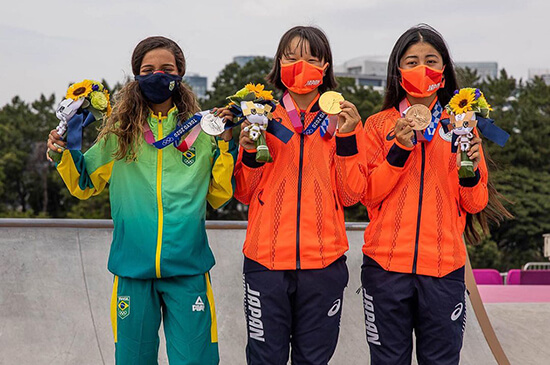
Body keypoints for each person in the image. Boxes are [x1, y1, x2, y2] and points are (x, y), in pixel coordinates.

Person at [47, 36, 237, 365]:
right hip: (132, 269)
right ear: (137, 76)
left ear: (180, 75)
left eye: (167, 68)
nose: (157, 75)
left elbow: (219, 195)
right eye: (148, 69)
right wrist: (62, 152)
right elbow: (84, 183)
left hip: (188, 269)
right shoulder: (120, 133)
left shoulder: (202, 132)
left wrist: (224, 146)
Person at [358, 24, 511, 365]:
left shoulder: (461, 127)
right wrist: (398, 150)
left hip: (443, 271)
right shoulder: (378, 126)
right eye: (411, 61)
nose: (421, 69)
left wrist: (468, 164)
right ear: (397, 72)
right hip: (385, 269)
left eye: (431, 60)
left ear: (444, 73)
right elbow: (367, 196)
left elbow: (475, 202)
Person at [234, 26, 365, 365]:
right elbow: (245, 193)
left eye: (311, 58)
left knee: (313, 360)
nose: (300, 64)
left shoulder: (343, 120)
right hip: (266, 261)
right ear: (279, 63)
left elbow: (351, 195)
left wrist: (348, 141)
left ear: (325, 66)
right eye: (291, 57)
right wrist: (248, 152)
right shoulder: (261, 117)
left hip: (323, 263)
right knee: (265, 359)